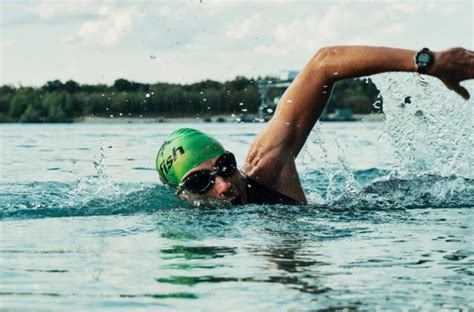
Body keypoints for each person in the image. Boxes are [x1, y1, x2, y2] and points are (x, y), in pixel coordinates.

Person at [156, 46, 474, 205]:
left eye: (225, 167)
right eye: (200, 183)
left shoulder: (267, 167)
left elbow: (324, 63)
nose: (223, 186)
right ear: (181, 195)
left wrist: (428, 62)